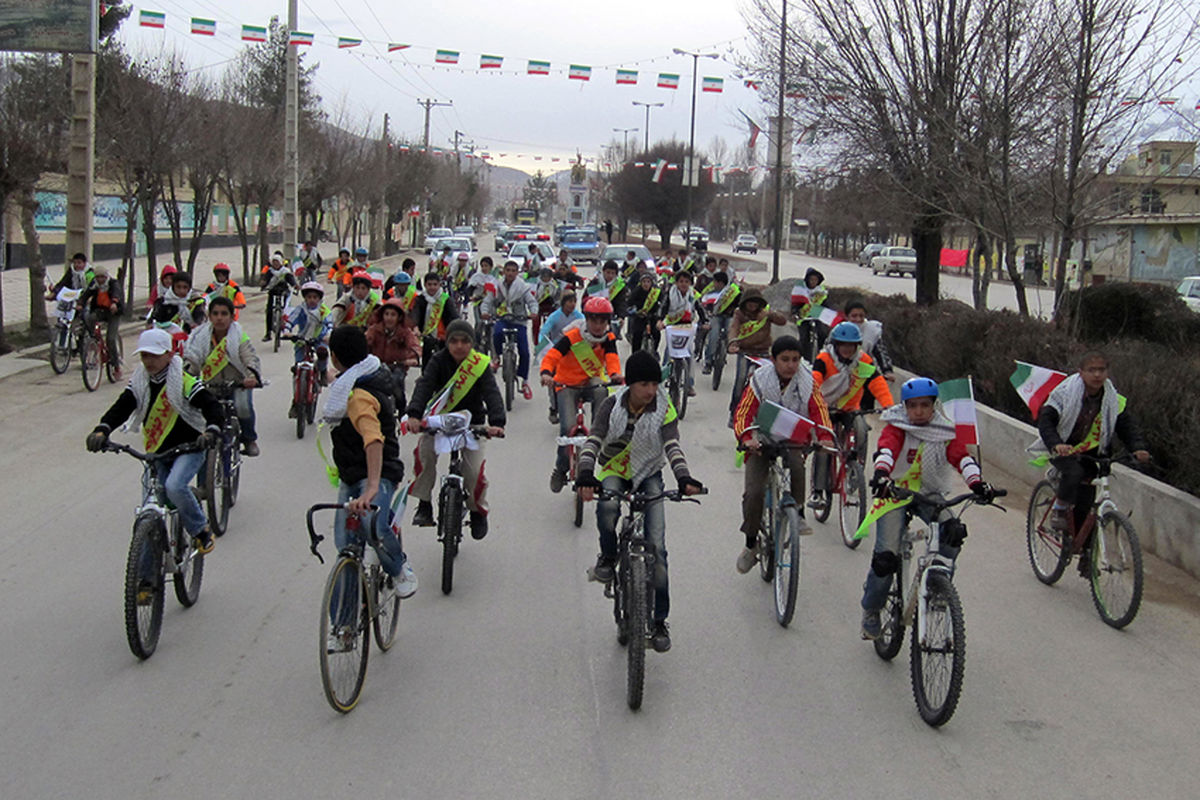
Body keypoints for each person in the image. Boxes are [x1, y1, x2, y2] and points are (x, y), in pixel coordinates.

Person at [575, 349, 704, 653]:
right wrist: (584, 472)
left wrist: (684, 477)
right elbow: (594, 439)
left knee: (657, 548)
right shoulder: (611, 405)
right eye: (644, 384)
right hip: (615, 470)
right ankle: (607, 558)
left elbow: (672, 444)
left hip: (648, 473)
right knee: (607, 507)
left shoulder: (664, 407)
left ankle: (659, 622)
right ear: (630, 384)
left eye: (655, 384)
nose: (651, 390)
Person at [859, 377, 995, 640]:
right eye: (912, 406)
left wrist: (978, 483)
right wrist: (881, 473)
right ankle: (872, 609)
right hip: (895, 492)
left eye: (925, 405)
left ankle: (938, 585)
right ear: (904, 406)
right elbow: (887, 448)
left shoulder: (944, 430)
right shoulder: (897, 425)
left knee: (953, 532)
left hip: (928, 494)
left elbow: (961, 457)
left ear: (935, 406)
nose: (918, 411)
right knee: (885, 557)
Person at [86, 328, 224, 555]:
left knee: (174, 486)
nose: (149, 361)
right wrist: (102, 429)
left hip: (189, 448)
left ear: (170, 355)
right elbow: (122, 406)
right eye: (144, 356)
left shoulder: (184, 381)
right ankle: (146, 584)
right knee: (148, 514)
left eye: (155, 355)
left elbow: (211, 406)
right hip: (157, 452)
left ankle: (200, 530)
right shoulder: (139, 382)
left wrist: (211, 430)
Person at [322, 325, 418, 604]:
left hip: (377, 473)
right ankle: (343, 629)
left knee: (373, 524)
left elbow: (373, 440)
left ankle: (399, 567)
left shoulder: (358, 395)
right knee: (346, 551)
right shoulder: (364, 374)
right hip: (350, 473)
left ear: (336, 357)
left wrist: (372, 487)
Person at [733, 335, 833, 572]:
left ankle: (797, 512)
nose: (791, 365)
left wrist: (825, 435)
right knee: (754, 493)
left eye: (796, 360)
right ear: (773, 360)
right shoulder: (759, 381)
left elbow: (819, 409)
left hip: (792, 440)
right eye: (785, 359)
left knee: (797, 465)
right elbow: (743, 413)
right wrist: (747, 438)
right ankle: (750, 544)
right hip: (761, 441)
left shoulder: (807, 381)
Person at [406, 319, 506, 540]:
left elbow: (492, 393)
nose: (459, 346)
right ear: (447, 342)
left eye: (464, 341)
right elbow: (424, 386)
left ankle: (477, 511)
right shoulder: (437, 361)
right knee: (424, 454)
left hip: (473, 426)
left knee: (474, 474)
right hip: (440, 422)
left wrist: (497, 422)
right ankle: (424, 503)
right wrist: (414, 414)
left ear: (471, 343)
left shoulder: (479, 365)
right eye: (454, 341)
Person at [1035, 351, 1150, 538]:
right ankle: (1059, 508)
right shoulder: (1064, 394)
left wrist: (1138, 447)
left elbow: (1126, 426)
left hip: (1093, 454)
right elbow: (1046, 422)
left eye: (1101, 370)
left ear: (1107, 372)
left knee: (1087, 506)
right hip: (1065, 450)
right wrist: (1056, 444)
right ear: (1080, 372)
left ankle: (1086, 557)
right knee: (1074, 473)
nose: (1097, 375)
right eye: (1091, 370)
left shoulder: (1113, 399)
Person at [540, 296, 623, 492]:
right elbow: (552, 356)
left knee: (602, 388)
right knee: (567, 428)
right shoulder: (572, 336)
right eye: (594, 320)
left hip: (591, 382)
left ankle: (598, 431)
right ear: (586, 319)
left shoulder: (608, 338)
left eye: (603, 321)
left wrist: (615, 375)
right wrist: (545, 373)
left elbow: (612, 359)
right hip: (567, 384)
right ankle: (560, 469)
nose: (598, 325)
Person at [810, 321, 894, 509]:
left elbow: (877, 383)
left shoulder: (863, 361)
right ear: (836, 344)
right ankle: (818, 491)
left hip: (849, 408)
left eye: (851, 345)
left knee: (862, 429)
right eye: (843, 344)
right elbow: (815, 382)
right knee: (825, 446)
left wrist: (889, 406)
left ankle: (853, 469)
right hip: (825, 408)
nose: (847, 349)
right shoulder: (824, 359)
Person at [183, 296, 262, 457]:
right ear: (209, 316)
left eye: (224, 314)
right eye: (215, 313)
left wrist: (251, 376)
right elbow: (193, 360)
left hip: (237, 384)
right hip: (210, 385)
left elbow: (249, 358)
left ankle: (249, 439)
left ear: (232, 317)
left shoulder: (239, 336)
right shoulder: (200, 338)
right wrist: (185, 378)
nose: (219, 318)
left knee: (243, 406)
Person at [481, 259, 537, 400]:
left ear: (517, 273)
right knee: (497, 333)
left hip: (519, 321)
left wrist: (533, 312)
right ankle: (497, 357)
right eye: (508, 270)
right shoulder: (497, 286)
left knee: (524, 351)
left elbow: (532, 302)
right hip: (503, 318)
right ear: (504, 272)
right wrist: (485, 311)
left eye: (513, 271)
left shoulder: (523, 287)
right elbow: (488, 301)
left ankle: (524, 381)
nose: (510, 273)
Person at [727, 291, 788, 421]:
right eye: (750, 302)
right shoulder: (739, 313)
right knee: (740, 380)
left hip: (763, 352)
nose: (752, 305)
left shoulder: (766, 313)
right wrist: (732, 343)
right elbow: (734, 328)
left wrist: (770, 314)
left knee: (770, 383)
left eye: (755, 303)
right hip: (745, 352)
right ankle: (734, 413)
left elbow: (782, 321)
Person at [283, 282, 334, 411]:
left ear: (319, 299)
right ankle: (297, 398)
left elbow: (329, 324)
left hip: (318, 339)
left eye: (315, 297)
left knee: (322, 352)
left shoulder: (323, 311)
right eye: (309, 297)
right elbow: (290, 321)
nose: (312, 300)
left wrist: (328, 335)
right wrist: (287, 332)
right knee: (298, 368)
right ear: (305, 298)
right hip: (302, 340)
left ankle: (322, 372)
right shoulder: (300, 309)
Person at [366, 297, 422, 411]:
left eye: (393, 315)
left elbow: (415, 347)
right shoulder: (374, 330)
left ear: (399, 317)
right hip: (376, 366)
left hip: (397, 366)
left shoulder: (405, 332)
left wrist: (412, 358)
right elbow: (364, 343)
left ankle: (402, 413)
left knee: (397, 387)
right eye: (386, 314)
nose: (389, 318)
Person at [536, 290, 584, 423]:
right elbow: (544, 333)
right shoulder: (554, 317)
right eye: (569, 301)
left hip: (574, 352)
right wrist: (543, 345)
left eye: (574, 301)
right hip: (556, 351)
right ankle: (554, 407)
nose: (572, 304)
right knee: (553, 381)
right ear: (563, 303)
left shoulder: (579, 317)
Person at [78, 263, 125, 379]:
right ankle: (94, 339)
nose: (100, 280)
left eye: (102, 277)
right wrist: (80, 304)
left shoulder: (113, 284)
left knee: (110, 339)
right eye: (97, 277)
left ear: (106, 276)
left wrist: (114, 303)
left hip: (113, 312)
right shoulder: (94, 285)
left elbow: (116, 293)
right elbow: (86, 295)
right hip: (100, 311)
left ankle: (116, 365)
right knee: (89, 318)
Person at [844, 300, 895, 397]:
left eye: (861, 316)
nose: (858, 319)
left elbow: (880, 352)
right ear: (847, 317)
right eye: (854, 316)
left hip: (866, 374)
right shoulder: (839, 330)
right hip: (844, 377)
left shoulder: (872, 331)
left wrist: (887, 370)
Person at [413, 271, 459, 365]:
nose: (432, 287)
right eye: (429, 284)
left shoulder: (446, 299)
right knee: (426, 362)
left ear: (439, 285)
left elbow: (453, 316)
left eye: (435, 284)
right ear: (425, 285)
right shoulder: (420, 299)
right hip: (426, 335)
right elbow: (416, 313)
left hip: (443, 336)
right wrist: (416, 327)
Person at [700, 271, 740, 375]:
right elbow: (706, 304)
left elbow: (739, 303)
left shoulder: (732, 292)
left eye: (715, 282)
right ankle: (708, 362)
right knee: (714, 335)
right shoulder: (711, 292)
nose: (714, 284)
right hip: (716, 317)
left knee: (729, 332)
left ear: (721, 283)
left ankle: (724, 352)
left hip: (729, 316)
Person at [261, 254, 298, 341]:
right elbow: (265, 280)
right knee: (269, 311)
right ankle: (268, 333)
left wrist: (295, 285)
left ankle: (284, 329)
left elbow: (291, 280)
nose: (275, 264)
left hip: (283, 292)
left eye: (277, 262)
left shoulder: (285, 271)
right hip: (273, 292)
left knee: (285, 311)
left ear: (281, 262)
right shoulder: (270, 271)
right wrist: (263, 284)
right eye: (273, 262)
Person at [627, 271, 663, 354]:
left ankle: (654, 351)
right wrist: (635, 311)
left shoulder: (656, 292)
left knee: (656, 334)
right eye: (644, 282)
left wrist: (658, 316)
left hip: (652, 316)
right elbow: (629, 303)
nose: (646, 284)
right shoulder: (636, 292)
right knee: (637, 334)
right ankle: (635, 355)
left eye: (648, 282)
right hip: (640, 317)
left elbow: (661, 303)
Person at [532, 267, 562, 341]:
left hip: (550, 306)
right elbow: (532, 296)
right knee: (536, 325)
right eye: (544, 276)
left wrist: (557, 305)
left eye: (547, 276)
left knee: (550, 324)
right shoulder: (536, 284)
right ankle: (536, 342)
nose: (546, 278)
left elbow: (558, 297)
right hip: (538, 306)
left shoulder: (555, 284)